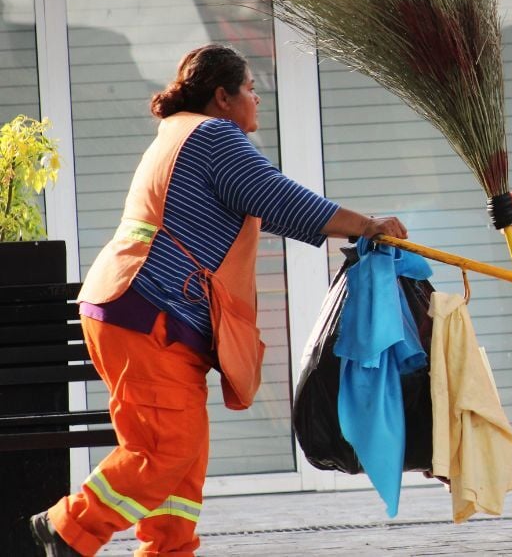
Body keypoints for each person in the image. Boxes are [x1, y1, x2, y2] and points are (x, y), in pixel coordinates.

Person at [29, 44, 407, 557]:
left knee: (183, 460)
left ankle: (168, 551)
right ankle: (69, 527)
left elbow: (266, 206)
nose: (257, 98)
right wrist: (366, 225)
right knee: (166, 449)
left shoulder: (182, 132)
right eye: (250, 88)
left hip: (141, 311)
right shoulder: (213, 135)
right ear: (222, 97)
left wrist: (355, 230)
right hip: (149, 313)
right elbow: (278, 197)